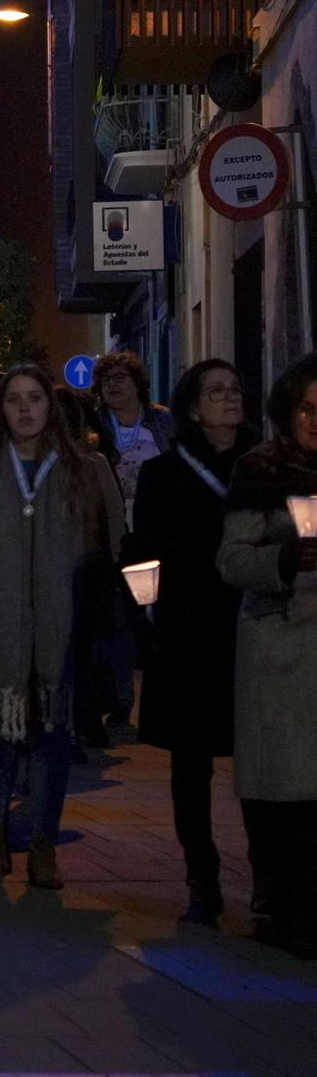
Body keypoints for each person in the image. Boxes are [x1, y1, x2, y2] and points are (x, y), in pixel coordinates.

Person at [0, 365, 124, 890]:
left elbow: (101, 551)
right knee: (0, 734)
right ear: (0, 411)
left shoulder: (82, 470)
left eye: (35, 398)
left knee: (51, 738)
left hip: (62, 630)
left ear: (50, 406)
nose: (24, 409)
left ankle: (44, 841)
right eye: (14, 400)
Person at [125, 359, 255, 924]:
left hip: (254, 629)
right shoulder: (164, 474)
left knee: (259, 759)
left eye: (235, 389)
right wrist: (148, 611)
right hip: (187, 632)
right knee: (191, 763)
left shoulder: (263, 469)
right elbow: (143, 551)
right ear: (193, 407)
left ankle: (269, 875)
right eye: (216, 391)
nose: (229, 398)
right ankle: (201, 874)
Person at [218, 353, 317, 957]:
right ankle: (282, 908)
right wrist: (282, 560)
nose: (316, 421)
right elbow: (231, 560)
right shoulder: (261, 470)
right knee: (283, 794)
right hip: (279, 650)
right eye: (308, 408)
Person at [94, 349, 177, 526]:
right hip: (109, 517)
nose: (111, 384)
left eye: (119, 377)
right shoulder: (93, 422)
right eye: (106, 379)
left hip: (159, 514)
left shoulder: (162, 419)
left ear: (138, 382)